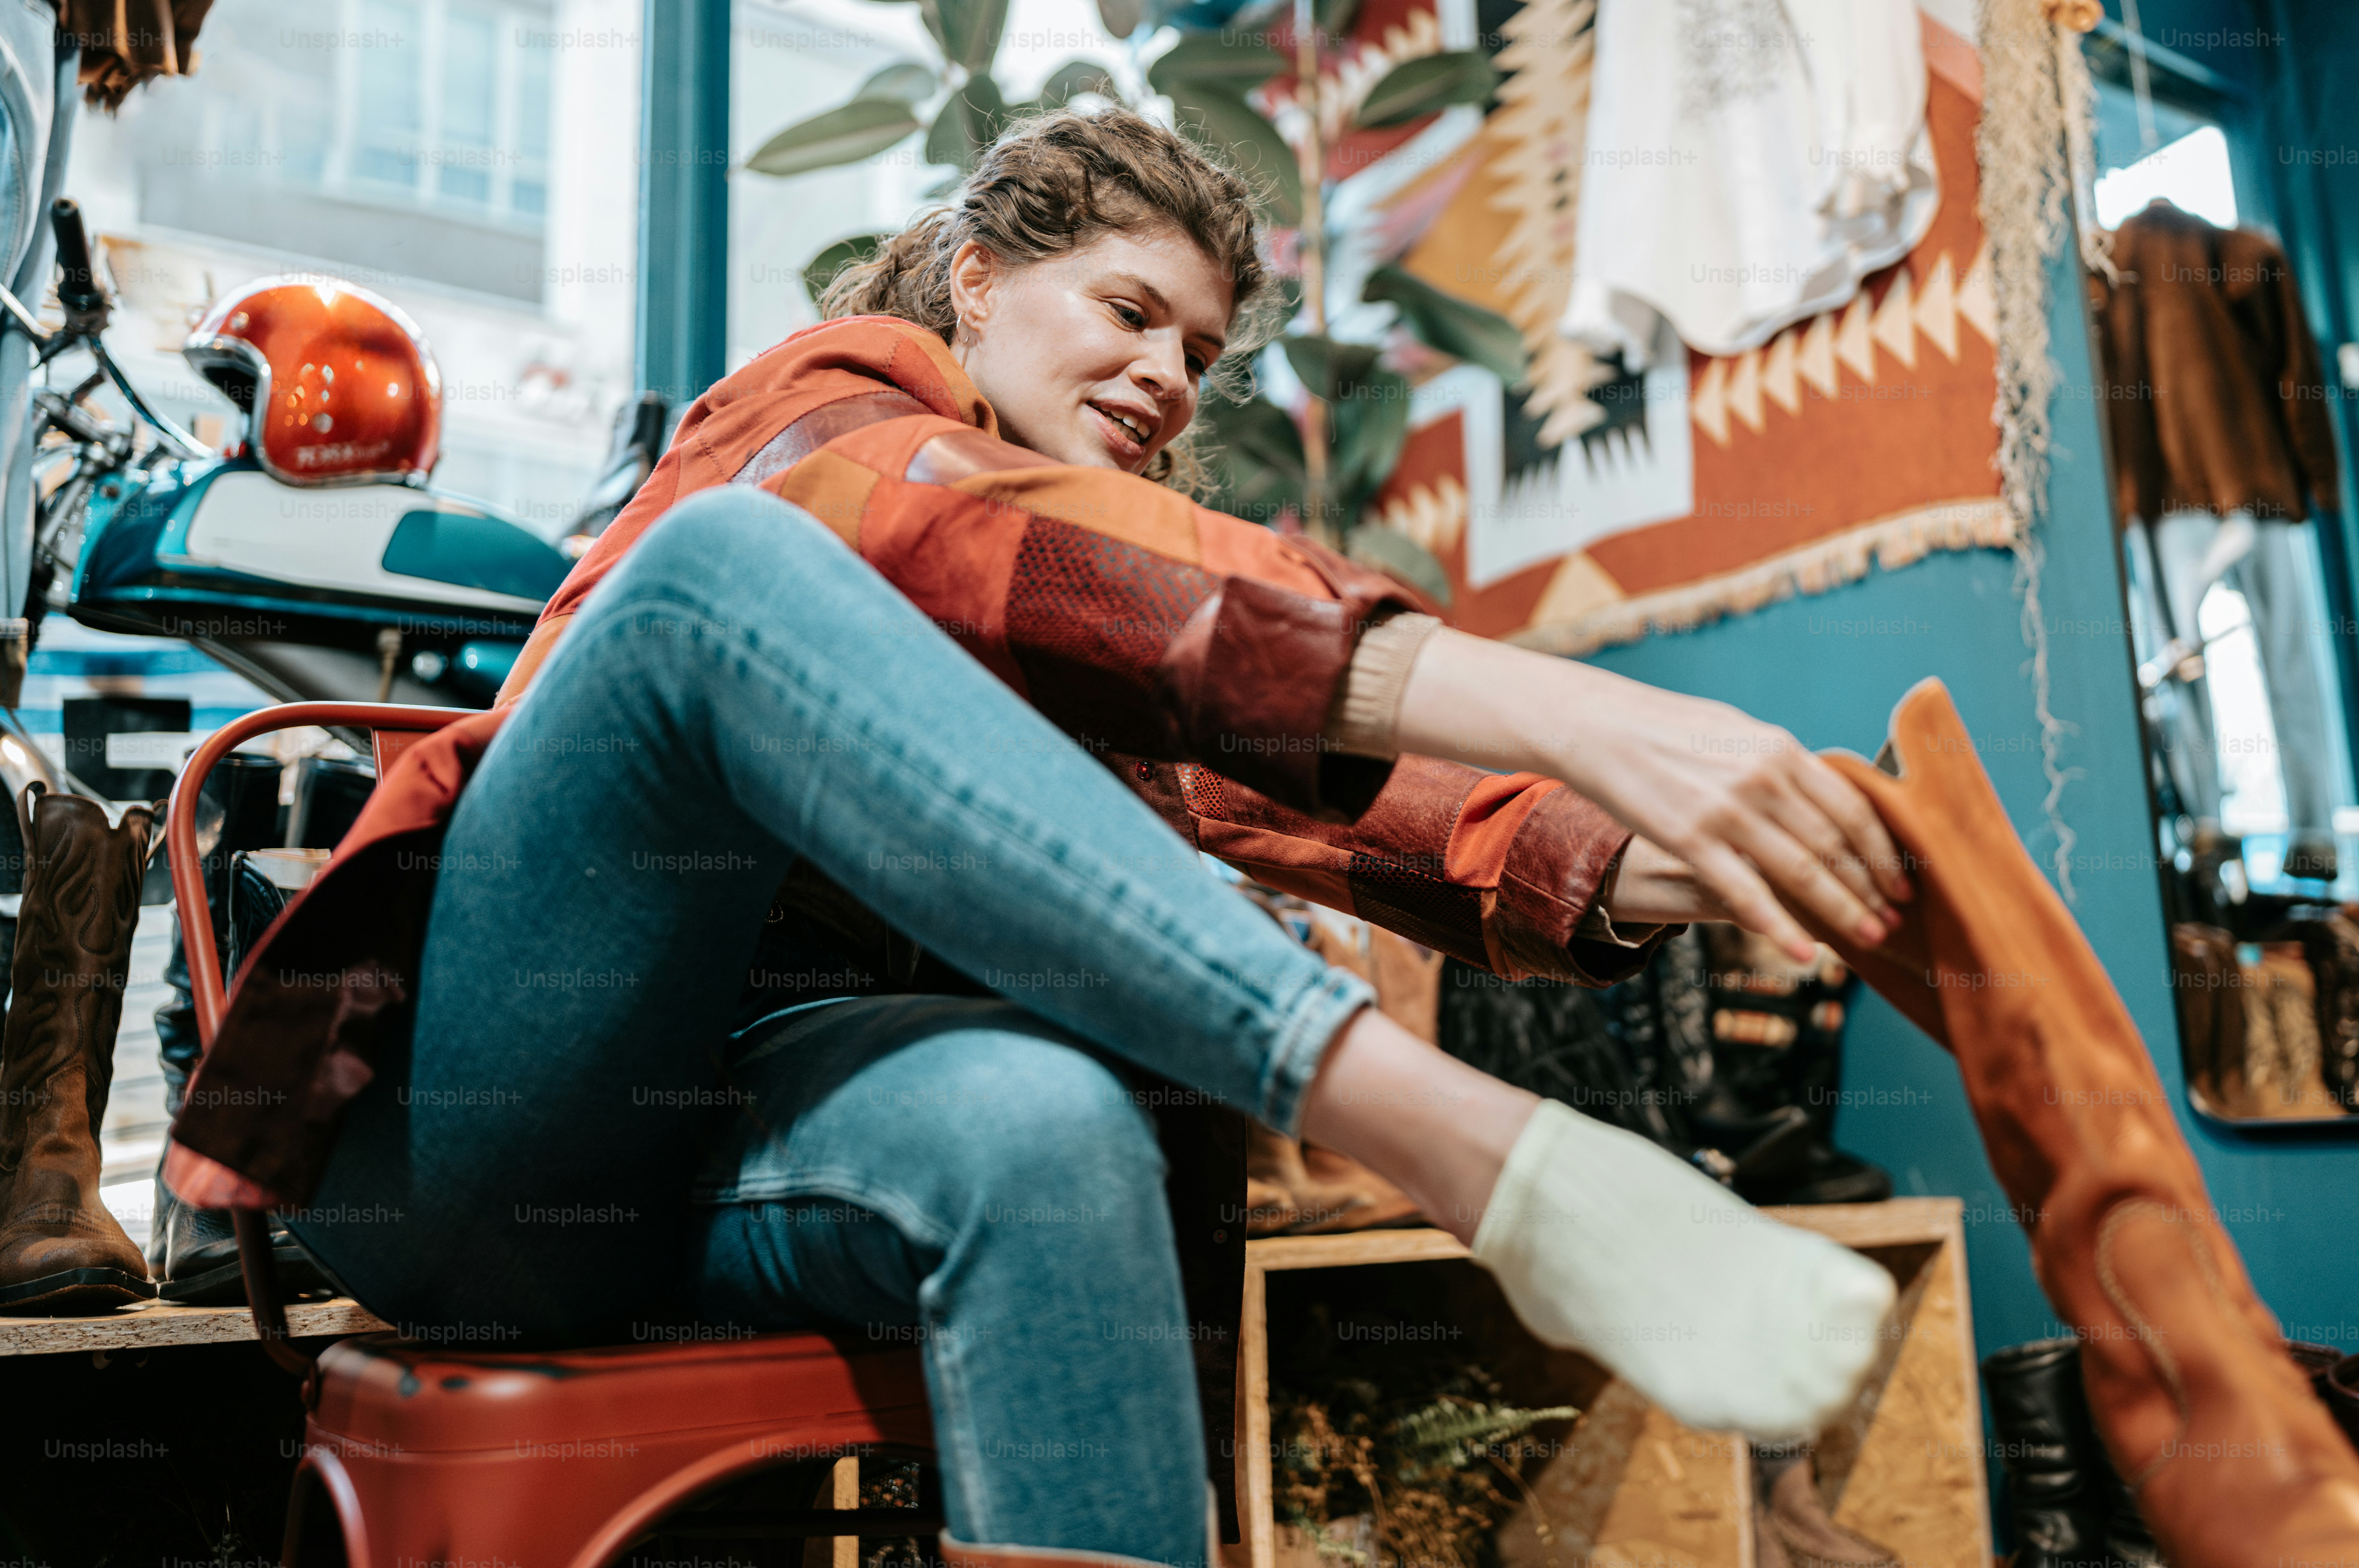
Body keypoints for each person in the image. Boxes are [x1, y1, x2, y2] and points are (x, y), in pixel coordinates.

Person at [168, 109, 1909, 1566]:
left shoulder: (1092, 634)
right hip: (473, 1141)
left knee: (1042, 1116)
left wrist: (1705, 857)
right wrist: (1578, 702)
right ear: (979, 279)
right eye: (1130, 310)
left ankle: (1491, 1154)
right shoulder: (815, 414)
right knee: (729, 579)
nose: (1168, 374)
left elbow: (1374, 806)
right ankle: (1469, 1144)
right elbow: (932, 532)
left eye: (1200, 355)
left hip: (717, 1173)